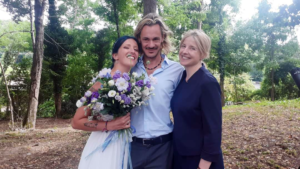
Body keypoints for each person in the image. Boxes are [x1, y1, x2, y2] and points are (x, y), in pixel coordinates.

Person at [72, 36, 140, 169]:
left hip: (126, 145)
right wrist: (109, 125)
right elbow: (76, 121)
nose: (132, 51)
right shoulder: (100, 83)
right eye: (126, 47)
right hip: (103, 147)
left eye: (136, 49)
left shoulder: (135, 85)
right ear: (115, 55)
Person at [130, 13, 184, 169]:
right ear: (139, 39)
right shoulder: (129, 68)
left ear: (163, 39)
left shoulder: (177, 70)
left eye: (155, 39)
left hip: (164, 147)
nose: (151, 44)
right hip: (133, 147)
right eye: (146, 39)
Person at [171, 29, 224, 169]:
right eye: (183, 46)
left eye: (192, 48)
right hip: (180, 156)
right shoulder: (182, 78)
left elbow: (213, 129)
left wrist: (204, 165)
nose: (185, 51)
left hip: (200, 161)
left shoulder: (207, 83)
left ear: (203, 53)